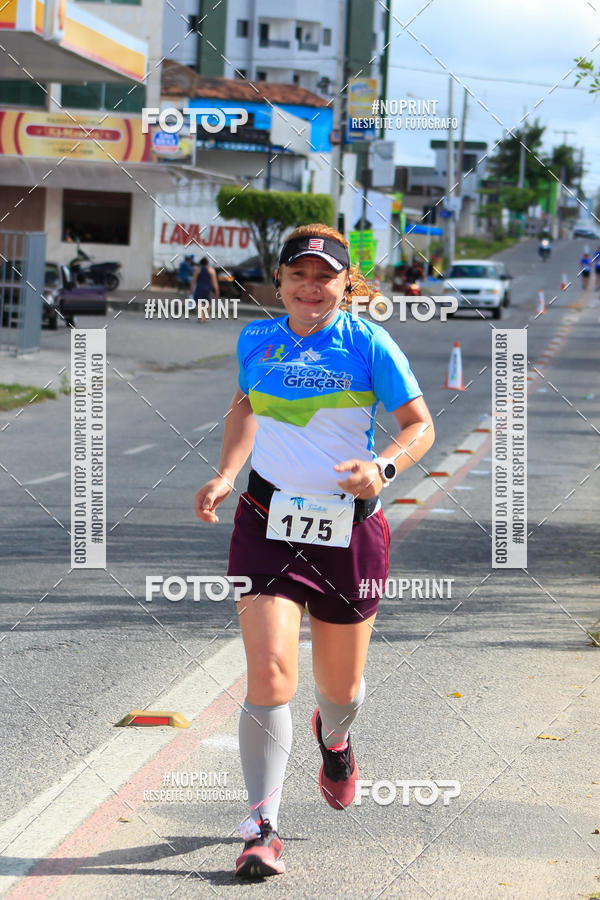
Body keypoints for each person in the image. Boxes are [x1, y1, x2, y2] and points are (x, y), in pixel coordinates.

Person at [194, 223, 435, 879]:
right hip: (266, 517)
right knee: (270, 674)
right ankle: (261, 826)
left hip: (347, 530)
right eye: (297, 275)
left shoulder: (369, 342)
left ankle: (336, 740)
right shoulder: (256, 339)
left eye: (324, 276)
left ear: (344, 285)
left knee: (341, 688)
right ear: (280, 282)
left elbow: (420, 426)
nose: (310, 287)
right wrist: (224, 473)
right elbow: (245, 407)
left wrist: (382, 469)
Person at [192, 256, 219, 320]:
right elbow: (214, 282)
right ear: (207, 263)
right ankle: (205, 316)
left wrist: (191, 289)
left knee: (199, 303)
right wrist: (216, 290)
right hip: (208, 289)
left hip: (199, 288)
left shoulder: (198, 270)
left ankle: (200, 316)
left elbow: (193, 281)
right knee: (207, 303)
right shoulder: (211, 270)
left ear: (200, 263)